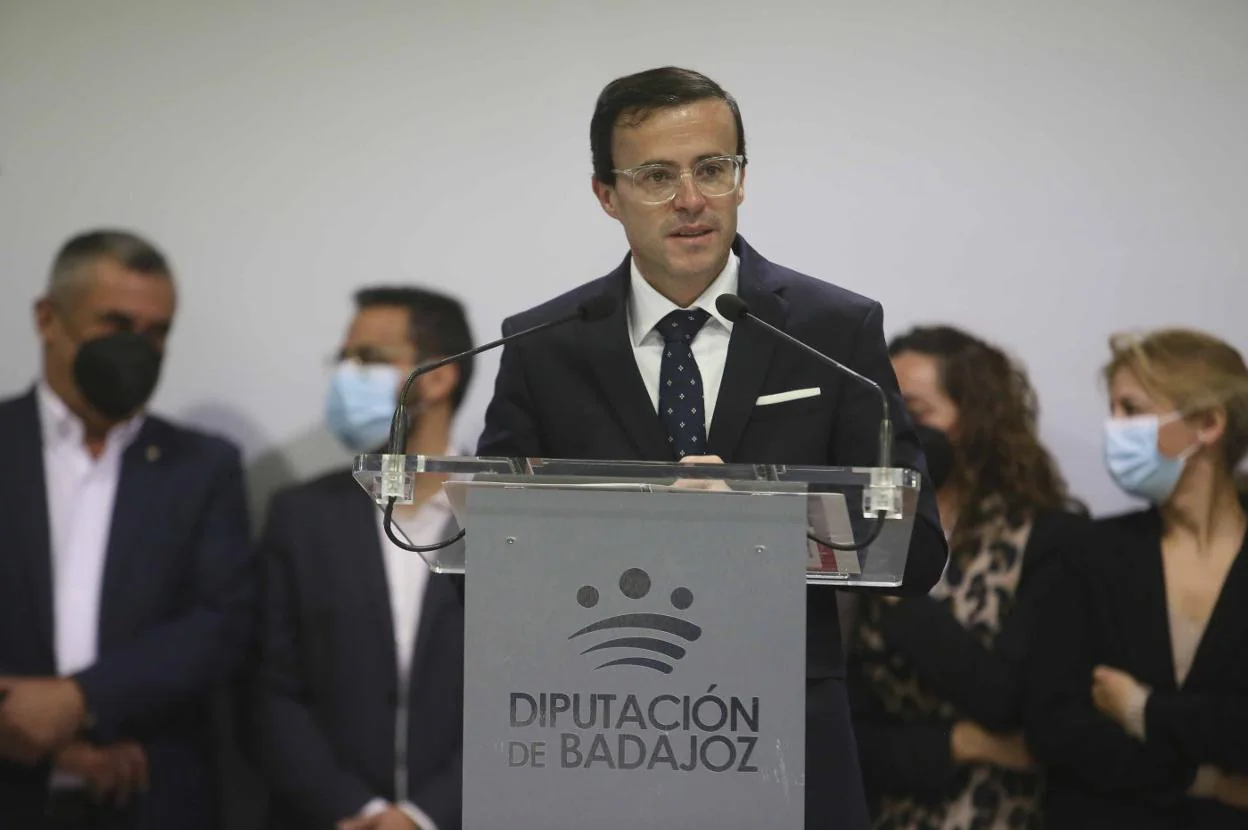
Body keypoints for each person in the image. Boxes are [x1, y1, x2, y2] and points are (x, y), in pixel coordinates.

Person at [476, 66, 948, 830]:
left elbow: (917, 549)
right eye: (656, 176)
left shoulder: (832, 331)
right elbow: (486, 566)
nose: (691, 200)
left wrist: (760, 524)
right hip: (597, 729)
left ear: (740, 179)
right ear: (606, 194)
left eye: (712, 169)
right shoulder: (545, 345)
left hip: (788, 725)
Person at [0, 230, 254, 829]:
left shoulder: (204, 464)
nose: (137, 349)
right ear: (47, 318)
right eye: (115, 323)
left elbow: (223, 621)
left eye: (156, 332)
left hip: (150, 789)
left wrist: (80, 701)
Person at [848, 325, 1087, 830]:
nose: (899, 430)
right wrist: (959, 743)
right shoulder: (857, 534)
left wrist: (897, 593)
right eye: (889, 412)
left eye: (918, 411)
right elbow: (845, 731)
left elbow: (1013, 704)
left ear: (975, 422)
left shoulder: (1048, 539)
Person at [254, 287, 467, 830]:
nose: (347, 376)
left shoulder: (510, 519)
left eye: (369, 360)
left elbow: (532, 700)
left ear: (439, 377)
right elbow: (268, 690)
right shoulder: (301, 517)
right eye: (344, 359)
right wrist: (361, 811)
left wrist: (424, 817)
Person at [1025, 328, 1248, 828]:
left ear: (1209, 424)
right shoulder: (1081, 552)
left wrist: (1141, 710)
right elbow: (1054, 726)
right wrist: (1205, 780)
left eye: (1131, 409)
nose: (1114, 427)